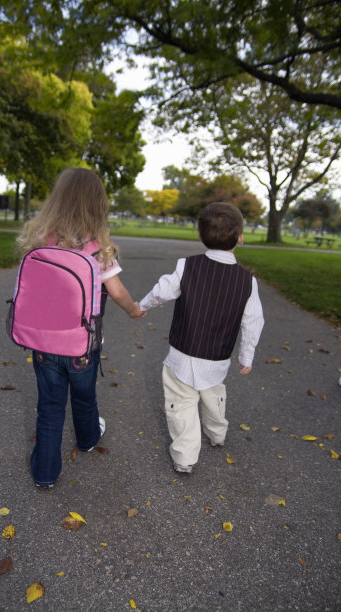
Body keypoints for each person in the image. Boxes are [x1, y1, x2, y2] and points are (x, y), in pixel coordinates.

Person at [16, 167, 145, 489]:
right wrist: (134, 310)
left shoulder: (40, 241)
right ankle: (88, 438)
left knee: (49, 406)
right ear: (97, 206)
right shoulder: (96, 249)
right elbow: (117, 292)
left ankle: (44, 473)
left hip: (43, 343)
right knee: (85, 396)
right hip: (82, 346)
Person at [139, 202, 264, 474]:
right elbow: (253, 321)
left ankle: (185, 458)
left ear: (200, 237)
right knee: (213, 394)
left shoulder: (187, 267)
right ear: (240, 238)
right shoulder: (247, 281)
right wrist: (246, 355)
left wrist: (142, 306)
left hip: (182, 354)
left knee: (182, 404)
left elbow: (162, 291)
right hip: (217, 358)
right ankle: (217, 434)